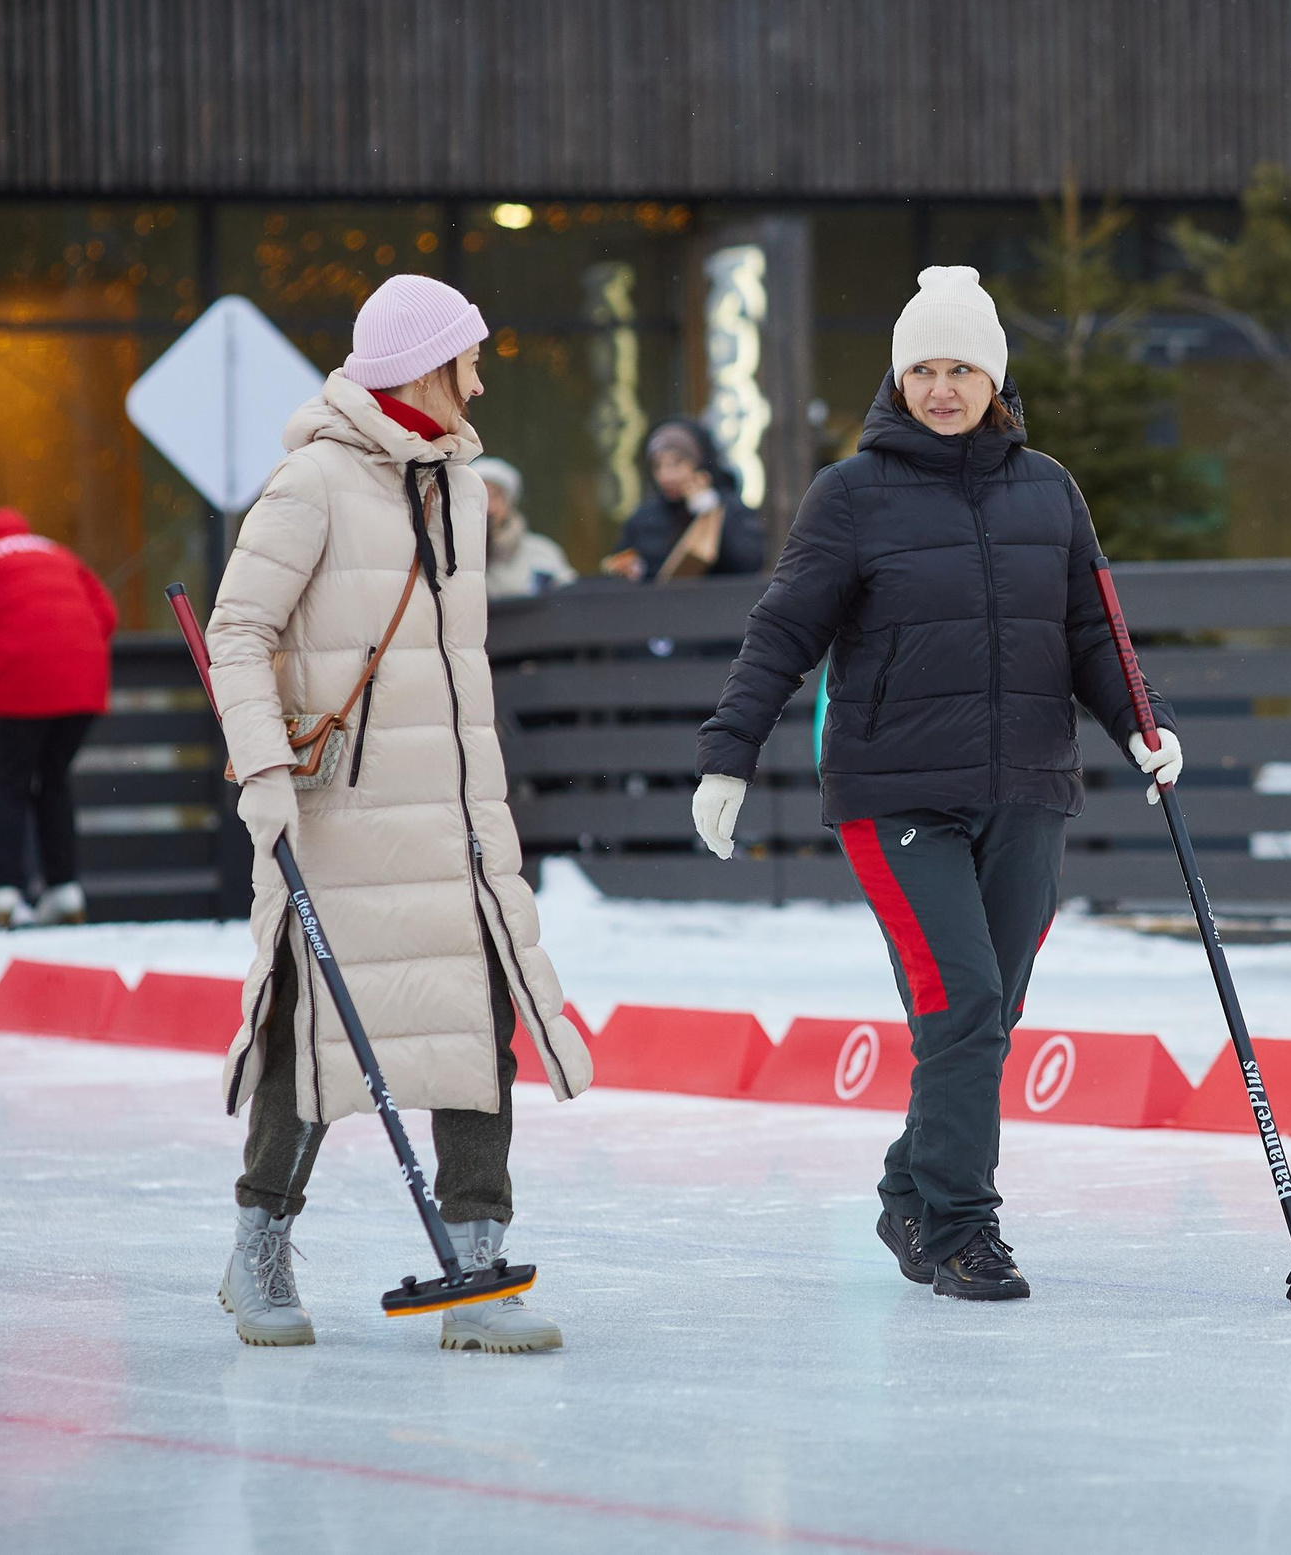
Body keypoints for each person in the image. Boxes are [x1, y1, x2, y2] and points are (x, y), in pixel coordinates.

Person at [690, 266, 1183, 1302]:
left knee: (988, 1011)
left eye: (961, 368)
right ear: (898, 378)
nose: (942, 388)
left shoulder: (1047, 487)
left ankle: (911, 1186)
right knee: (959, 1003)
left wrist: (1143, 726)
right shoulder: (851, 494)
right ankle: (961, 1229)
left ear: (994, 378)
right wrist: (729, 751)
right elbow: (784, 630)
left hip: (1026, 785)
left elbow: (1093, 628)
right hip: (897, 791)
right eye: (923, 369)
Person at [204, 272, 592, 1352]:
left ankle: (477, 1270)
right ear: (427, 366)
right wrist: (264, 773)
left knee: (478, 1019)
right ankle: (259, 1247)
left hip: (457, 817)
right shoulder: (314, 482)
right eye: (470, 357)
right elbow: (238, 631)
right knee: (313, 1034)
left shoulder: (459, 485)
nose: (483, 376)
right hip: (340, 819)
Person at [0, 506, 115, 927]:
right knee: (53, 779)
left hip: (20, 680)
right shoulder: (57, 552)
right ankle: (65, 890)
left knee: (9, 782)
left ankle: (7, 895)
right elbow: (106, 614)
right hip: (83, 684)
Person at [603, 420, 766, 583]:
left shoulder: (731, 509)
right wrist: (633, 570)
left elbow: (749, 563)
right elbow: (619, 565)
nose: (666, 476)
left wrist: (709, 512)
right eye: (658, 466)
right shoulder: (645, 516)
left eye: (676, 463)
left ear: (698, 463)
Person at [467, 456, 578, 599]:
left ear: (509, 503)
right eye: (480, 497)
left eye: (495, 496)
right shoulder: (452, 556)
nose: (489, 507)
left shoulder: (543, 552)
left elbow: (570, 599)